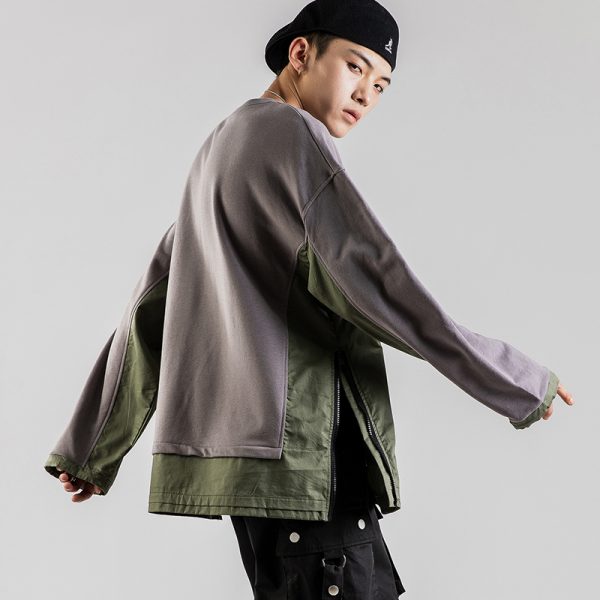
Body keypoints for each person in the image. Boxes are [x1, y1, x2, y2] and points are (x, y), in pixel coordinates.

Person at [46, 1, 574, 597]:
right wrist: (514, 379)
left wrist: (89, 447)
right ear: (301, 54)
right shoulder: (293, 136)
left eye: (381, 84)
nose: (366, 94)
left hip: (262, 483)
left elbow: (151, 305)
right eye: (355, 66)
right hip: (307, 461)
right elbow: (379, 284)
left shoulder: (220, 147)